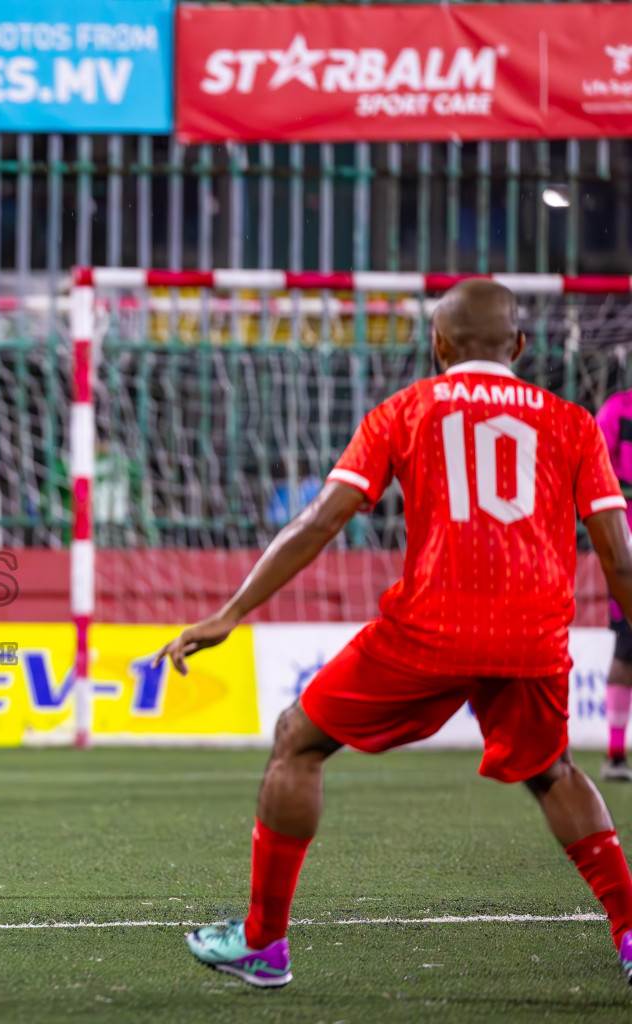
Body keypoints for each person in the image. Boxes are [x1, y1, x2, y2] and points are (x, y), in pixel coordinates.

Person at [156, 279, 632, 988]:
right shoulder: (572, 423)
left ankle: (263, 943)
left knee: (298, 739)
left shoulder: (403, 410)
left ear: (437, 344)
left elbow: (318, 521)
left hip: (431, 628)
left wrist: (231, 613)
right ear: (522, 347)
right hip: (533, 633)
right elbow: (618, 555)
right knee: (552, 771)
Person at [595, 387, 632, 780]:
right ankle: (616, 754)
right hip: (628, 547)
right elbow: (593, 465)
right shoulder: (617, 411)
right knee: (628, 649)